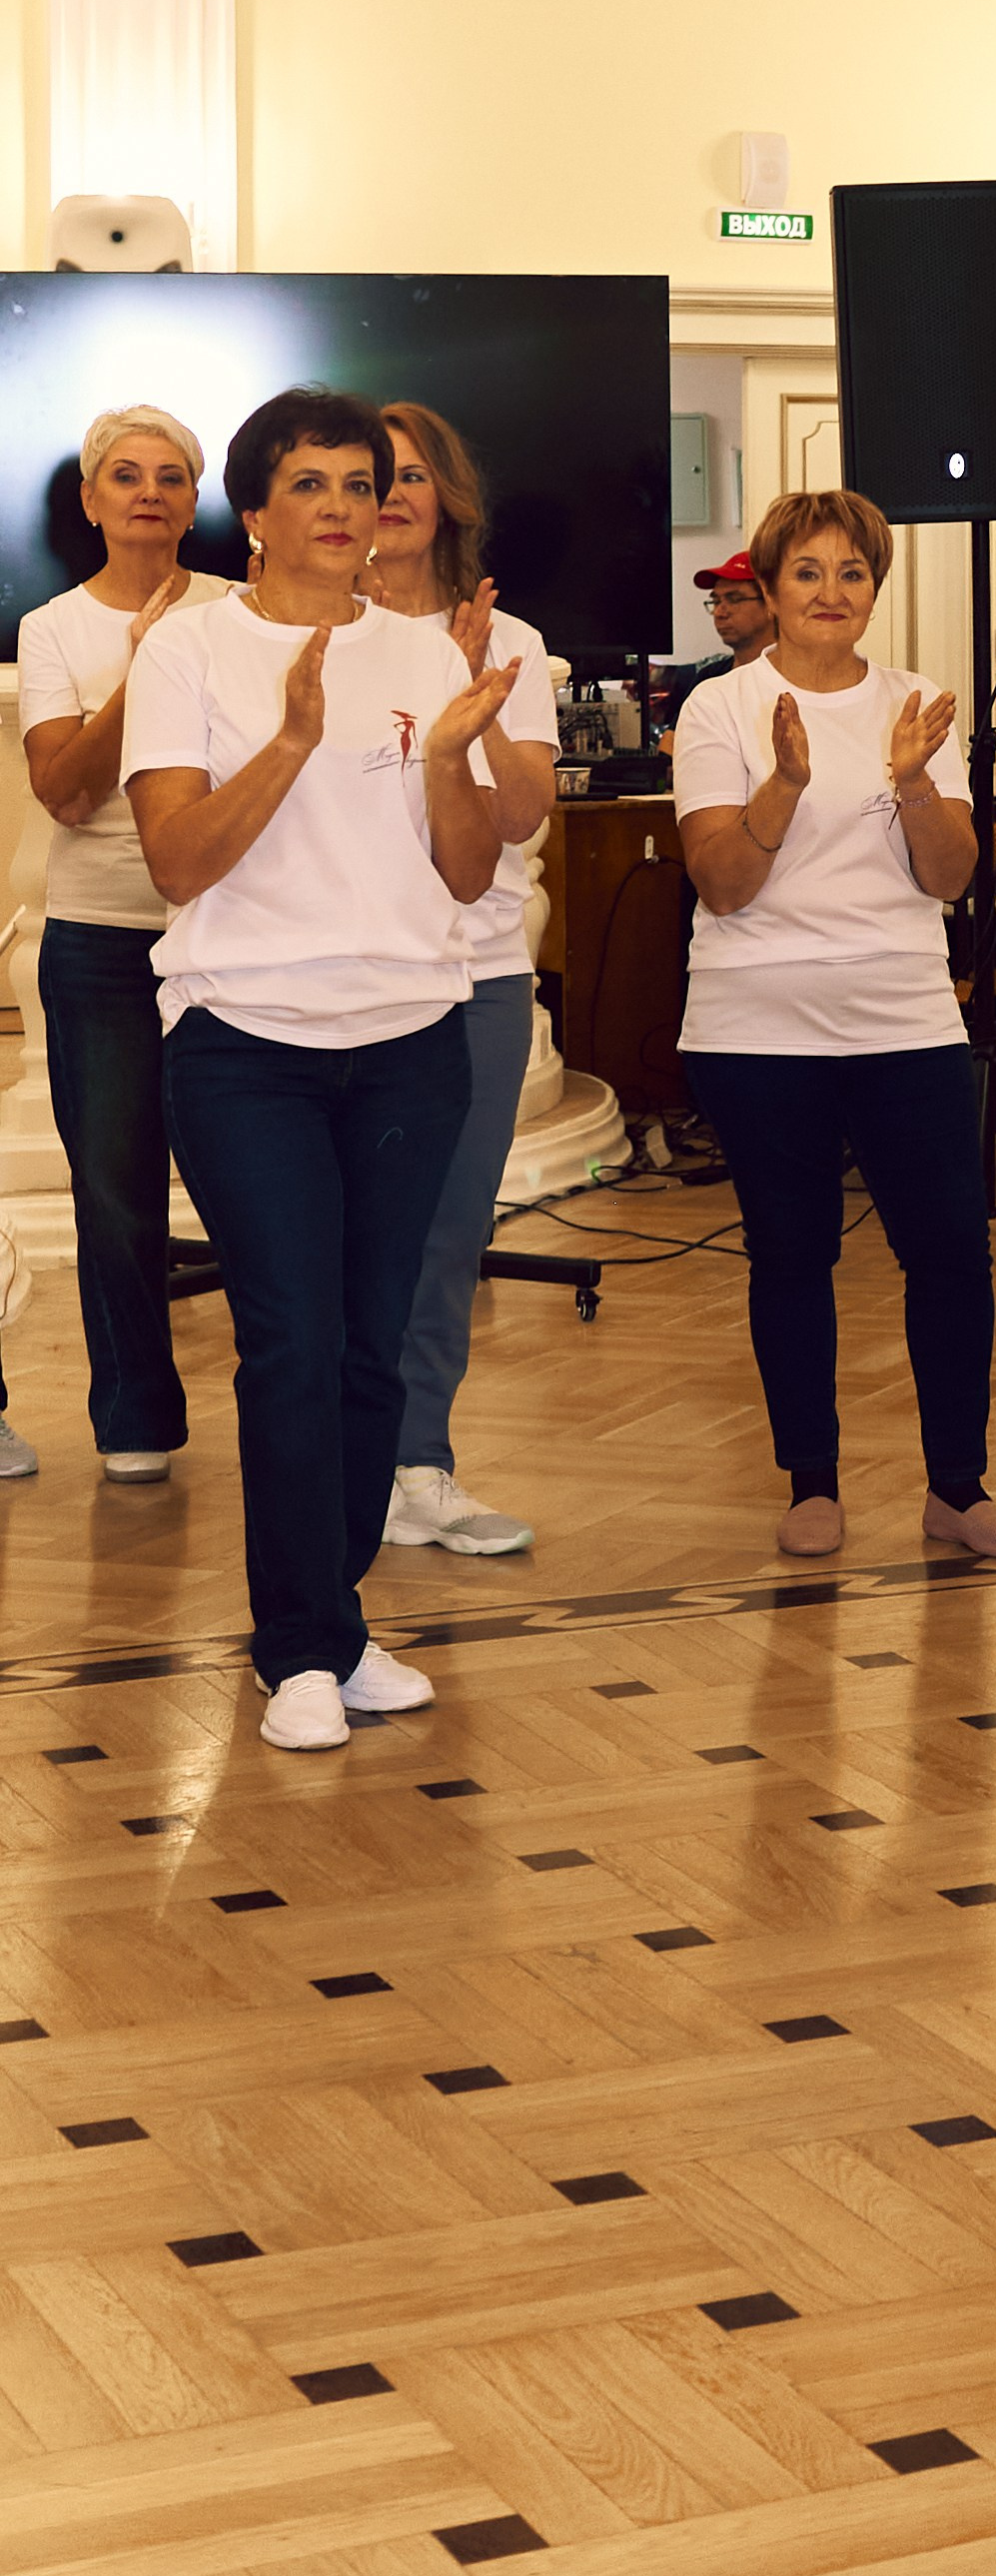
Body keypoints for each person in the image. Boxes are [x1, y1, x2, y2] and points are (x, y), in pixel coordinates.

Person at [122, 387, 516, 1753]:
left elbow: (467, 871)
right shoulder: (187, 651)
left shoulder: (422, 653)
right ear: (257, 507)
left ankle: (334, 1624)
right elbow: (177, 862)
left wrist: (455, 750)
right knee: (288, 1342)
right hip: (247, 1045)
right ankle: (291, 1646)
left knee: (367, 1351)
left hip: (410, 1040)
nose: (345, 507)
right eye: (310, 483)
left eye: (363, 481)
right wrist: (291, 736)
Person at [673, 488, 996, 1565]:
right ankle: (812, 1482)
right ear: (771, 591)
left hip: (904, 1014)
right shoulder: (717, 711)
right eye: (808, 574)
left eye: (853, 574)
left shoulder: (917, 700)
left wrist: (915, 779)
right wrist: (786, 782)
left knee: (951, 1255)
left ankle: (957, 1489)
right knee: (792, 1253)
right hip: (756, 1023)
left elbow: (954, 875)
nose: (832, 594)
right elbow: (724, 885)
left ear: (874, 589)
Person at [8, 407, 230, 1487]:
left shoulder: (245, 613)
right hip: (100, 945)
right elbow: (63, 788)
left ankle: (298, 1403)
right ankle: (135, 1417)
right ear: (92, 501)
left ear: (196, 503)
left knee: (255, 1185)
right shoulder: (52, 629)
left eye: (173, 476)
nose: (150, 492)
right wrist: (149, 667)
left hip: (235, 934)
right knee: (117, 1189)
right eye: (126, 476)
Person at [363, 400, 560, 1557]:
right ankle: (341, 1456)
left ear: (449, 499)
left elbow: (524, 809)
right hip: (349, 977)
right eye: (366, 475)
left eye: (413, 475)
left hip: (474, 977)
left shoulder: (512, 641)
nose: (388, 495)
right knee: (345, 1236)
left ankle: (419, 1462)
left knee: (444, 1234)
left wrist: (477, 698)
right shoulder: (302, 634)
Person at [657, 554, 775, 721]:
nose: (720, 612)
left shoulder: (792, 678)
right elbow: (671, 743)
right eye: (716, 601)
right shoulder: (710, 677)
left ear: (771, 603)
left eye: (734, 599)